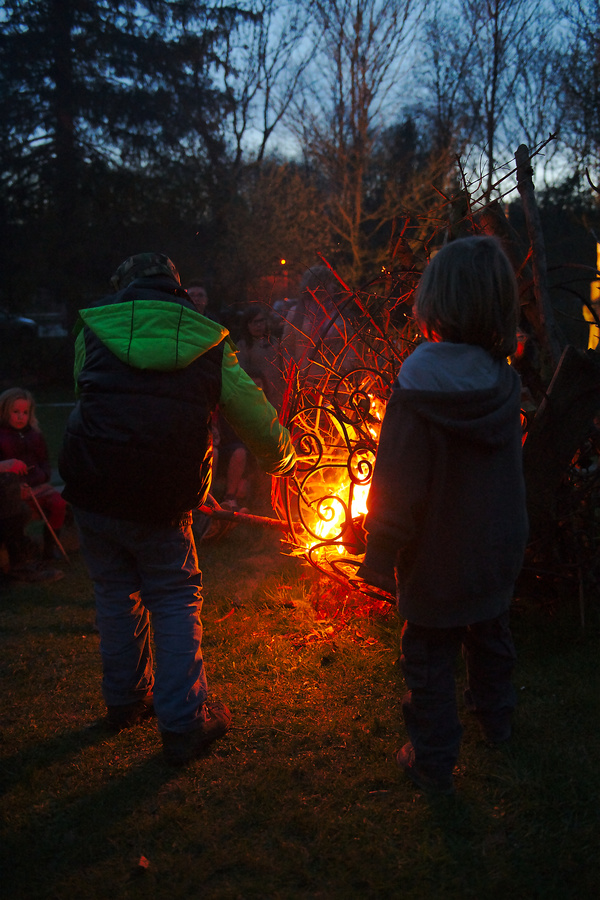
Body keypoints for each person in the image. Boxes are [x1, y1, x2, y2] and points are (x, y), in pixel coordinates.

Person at [59, 252, 296, 766]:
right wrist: (284, 455)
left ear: (126, 286)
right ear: (175, 288)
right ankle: (184, 720)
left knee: (115, 592)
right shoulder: (208, 337)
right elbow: (252, 415)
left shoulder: (93, 328)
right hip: (161, 494)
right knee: (171, 595)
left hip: (92, 484)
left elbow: (89, 394)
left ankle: (125, 701)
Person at [357, 235, 528, 795]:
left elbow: (398, 477)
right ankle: (496, 720)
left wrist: (380, 551)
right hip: (497, 545)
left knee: (428, 655)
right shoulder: (503, 382)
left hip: (436, 556)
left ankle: (431, 758)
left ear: (436, 300)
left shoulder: (418, 380)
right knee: (491, 632)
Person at [0, 387, 68, 560]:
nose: (21, 416)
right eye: (15, 412)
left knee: (59, 503)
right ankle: (17, 551)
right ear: (4, 411)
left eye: (25, 412)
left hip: (38, 486)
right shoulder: (2, 437)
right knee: (19, 514)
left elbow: (44, 462)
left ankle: (51, 546)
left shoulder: (35, 435)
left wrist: (42, 475)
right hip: (13, 493)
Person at [236, 305, 285, 409]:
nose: (258, 325)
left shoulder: (275, 343)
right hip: (256, 399)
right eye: (254, 322)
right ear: (247, 325)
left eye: (261, 321)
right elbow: (241, 372)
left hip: (278, 398)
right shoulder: (243, 346)